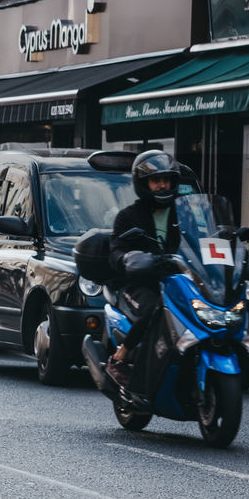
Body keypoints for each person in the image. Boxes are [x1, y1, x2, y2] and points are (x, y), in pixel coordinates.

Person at [105, 150, 182, 391]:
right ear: (143, 183)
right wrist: (129, 258)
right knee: (157, 310)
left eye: (167, 180)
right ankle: (123, 356)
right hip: (140, 285)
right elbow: (115, 252)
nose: (163, 185)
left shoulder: (185, 214)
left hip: (179, 282)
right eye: (156, 180)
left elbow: (204, 238)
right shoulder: (128, 217)